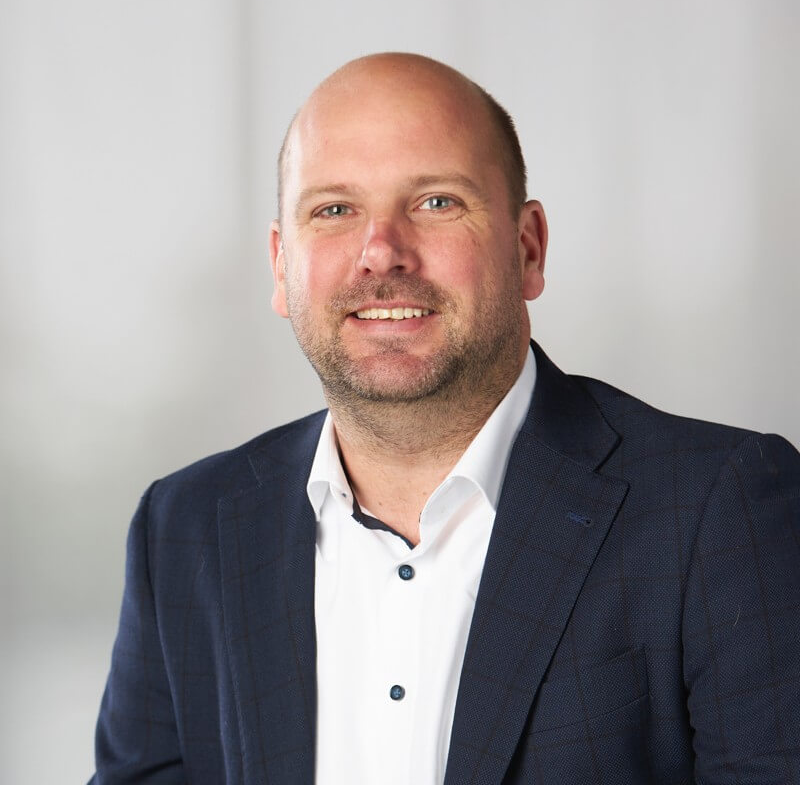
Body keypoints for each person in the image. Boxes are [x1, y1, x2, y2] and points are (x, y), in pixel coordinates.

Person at [90, 53, 800, 784]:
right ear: (281, 265)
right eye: (334, 210)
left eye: (436, 202)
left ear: (528, 248)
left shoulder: (721, 510)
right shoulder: (185, 529)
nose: (381, 253)